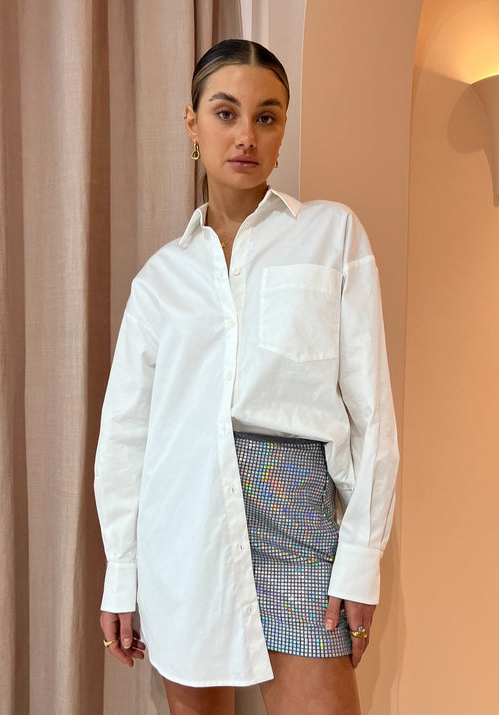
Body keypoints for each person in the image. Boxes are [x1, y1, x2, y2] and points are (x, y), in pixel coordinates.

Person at [95, 39, 399, 715]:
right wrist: (122, 572)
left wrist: (360, 556)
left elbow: (372, 411)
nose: (245, 135)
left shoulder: (332, 235)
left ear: (283, 129)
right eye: (225, 112)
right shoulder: (160, 280)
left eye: (266, 117)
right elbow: (125, 437)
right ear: (192, 123)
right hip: (185, 523)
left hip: (296, 520)